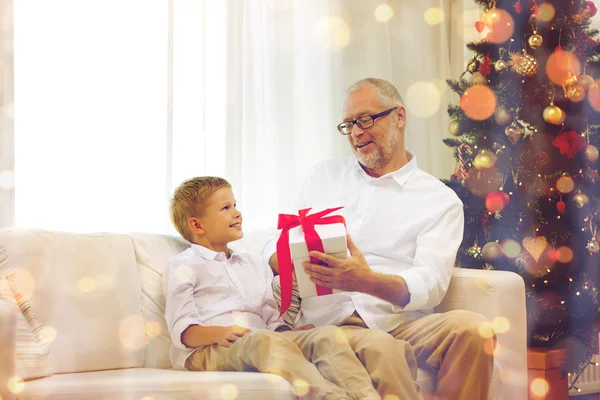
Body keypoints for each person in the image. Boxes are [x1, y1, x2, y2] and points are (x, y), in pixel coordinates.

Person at [264, 78, 495, 400]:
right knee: (381, 348)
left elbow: (431, 284)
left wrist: (366, 280)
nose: (357, 133)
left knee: (472, 329)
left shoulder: (438, 199)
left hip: (397, 323)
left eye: (366, 119)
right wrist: (287, 260)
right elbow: (273, 250)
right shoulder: (323, 177)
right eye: (348, 125)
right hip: (328, 326)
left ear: (399, 117)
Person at [163, 176, 382, 400]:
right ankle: (332, 397)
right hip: (207, 350)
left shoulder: (253, 263)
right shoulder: (184, 265)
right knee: (262, 341)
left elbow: (270, 313)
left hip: (261, 340)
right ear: (197, 225)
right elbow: (182, 328)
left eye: (235, 205)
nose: (237, 213)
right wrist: (220, 333)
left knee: (328, 336)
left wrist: (288, 333)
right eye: (225, 208)